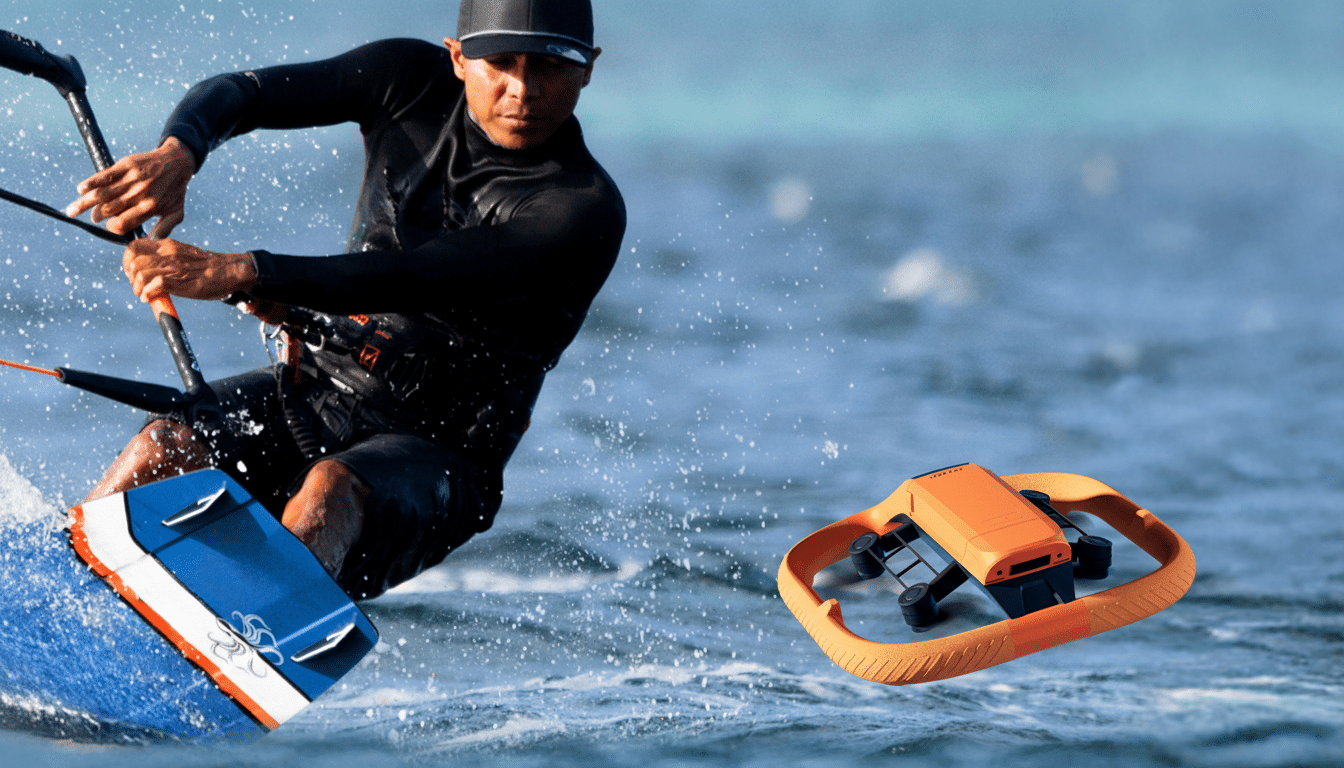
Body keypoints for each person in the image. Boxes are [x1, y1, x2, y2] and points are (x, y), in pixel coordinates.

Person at [65, 0, 625, 600]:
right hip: (317, 393)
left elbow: (416, 275)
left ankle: (254, 639)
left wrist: (242, 271)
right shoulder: (406, 81)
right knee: (164, 444)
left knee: (330, 488)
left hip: (439, 457)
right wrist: (181, 152)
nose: (522, 89)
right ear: (458, 57)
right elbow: (243, 93)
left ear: (587, 67)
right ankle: (58, 587)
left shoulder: (581, 208)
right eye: (501, 63)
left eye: (548, 67)